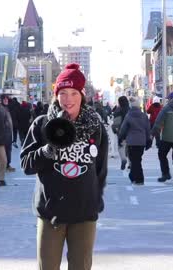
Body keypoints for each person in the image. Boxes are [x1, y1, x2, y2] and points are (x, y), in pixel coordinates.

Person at [20, 63, 108, 270]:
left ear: (82, 95)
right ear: (56, 95)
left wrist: (96, 200)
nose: (68, 99)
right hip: (52, 213)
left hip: (84, 212)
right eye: (63, 93)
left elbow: (100, 170)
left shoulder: (95, 127)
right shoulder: (42, 125)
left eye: (73, 93)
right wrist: (47, 151)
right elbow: (26, 164)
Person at [118, 97, 151, 185]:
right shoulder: (144, 116)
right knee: (137, 159)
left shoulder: (129, 115)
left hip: (132, 142)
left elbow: (123, 129)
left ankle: (138, 179)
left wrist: (121, 137)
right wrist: (148, 140)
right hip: (141, 142)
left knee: (134, 160)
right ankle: (134, 177)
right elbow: (148, 129)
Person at [112, 96, 130, 170]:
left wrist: (114, 129)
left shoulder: (118, 110)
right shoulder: (130, 109)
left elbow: (116, 122)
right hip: (130, 131)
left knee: (121, 147)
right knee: (129, 148)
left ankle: (123, 159)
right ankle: (130, 163)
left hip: (121, 132)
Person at [0, 95, 15, 172]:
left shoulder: (6, 108)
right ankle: (4, 165)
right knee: (5, 150)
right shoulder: (1, 109)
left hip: (8, 133)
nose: (6, 100)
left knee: (8, 150)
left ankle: (7, 165)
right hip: (5, 133)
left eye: (7, 99)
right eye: (4, 99)